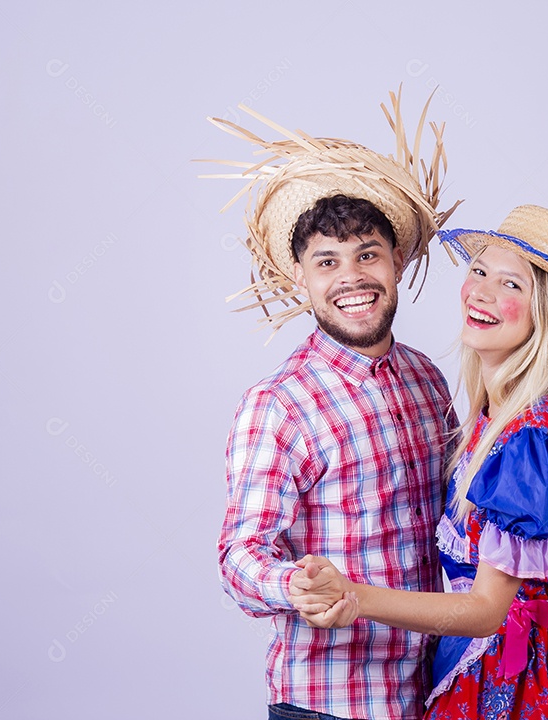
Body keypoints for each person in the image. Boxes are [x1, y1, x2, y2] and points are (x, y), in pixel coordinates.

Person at [290, 205, 548, 719]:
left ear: (545, 311)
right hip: (505, 662)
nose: (481, 292)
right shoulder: (498, 414)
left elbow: (484, 611)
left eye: (511, 285)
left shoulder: (530, 438)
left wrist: (355, 595)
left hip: (525, 680)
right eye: (479, 271)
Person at [211, 92, 461, 720]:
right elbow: (240, 556)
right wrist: (292, 584)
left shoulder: (428, 381)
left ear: (398, 261)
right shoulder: (280, 406)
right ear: (299, 277)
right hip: (329, 705)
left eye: (368, 254)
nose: (351, 277)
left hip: (431, 693)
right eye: (327, 262)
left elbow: (461, 517)